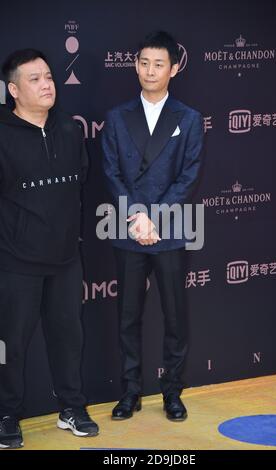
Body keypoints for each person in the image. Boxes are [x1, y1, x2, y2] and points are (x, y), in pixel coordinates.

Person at [102, 31, 204, 422]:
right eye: (144, 62)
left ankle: (172, 393)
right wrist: (136, 218)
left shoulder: (189, 119)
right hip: (128, 227)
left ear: (173, 69)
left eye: (159, 64)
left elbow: (188, 175)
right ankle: (130, 393)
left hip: (170, 228)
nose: (150, 70)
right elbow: (111, 172)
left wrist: (155, 218)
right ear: (135, 64)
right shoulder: (116, 117)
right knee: (128, 316)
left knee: (175, 316)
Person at [0, 49, 99, 449]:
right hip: (15, 262)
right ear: (13, 90)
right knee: (11, 344)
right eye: (35, 79)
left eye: (49, 77)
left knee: (67, 338)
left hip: (65, 260)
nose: (46, 84)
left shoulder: (70, 130)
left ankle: (71, 408)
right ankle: (7, 413)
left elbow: (82, 182)